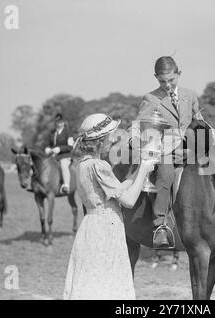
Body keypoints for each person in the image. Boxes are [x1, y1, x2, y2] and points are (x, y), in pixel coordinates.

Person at [63, 113, 156, 300]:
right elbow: (128, 200)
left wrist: (137, 170)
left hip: (90, 227)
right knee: (108, 283)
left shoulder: (83, 165)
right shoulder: (100, 166)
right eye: (110, 134)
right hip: (106, 229)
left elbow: (117, 189)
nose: (113, 138)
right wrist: (145, 169)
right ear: (100, 140)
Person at [129, 56, 206, 249]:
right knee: (166, 174)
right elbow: (139, 125)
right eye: (162, 81)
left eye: (171, 80)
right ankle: (160, 227)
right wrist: (134, 141)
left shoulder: (191, 95)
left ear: (179, 74)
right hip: (163, 151)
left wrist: (199, 143)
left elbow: (199, 122)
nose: (167, 85)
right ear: (156, 77)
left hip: (190, 149)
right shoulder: (151, 98)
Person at [45, 113, 74, 194]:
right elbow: (49, 144)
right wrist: (47, 148)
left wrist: (60, 148)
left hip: (65, 156)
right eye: (58, 122)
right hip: (54, 156)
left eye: (61, 122)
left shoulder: (68, 132)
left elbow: (70, 147)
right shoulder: (52, 133)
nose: (59, 123)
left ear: (64, 122)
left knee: (63, 165)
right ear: (55, 122)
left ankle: (66, 185)